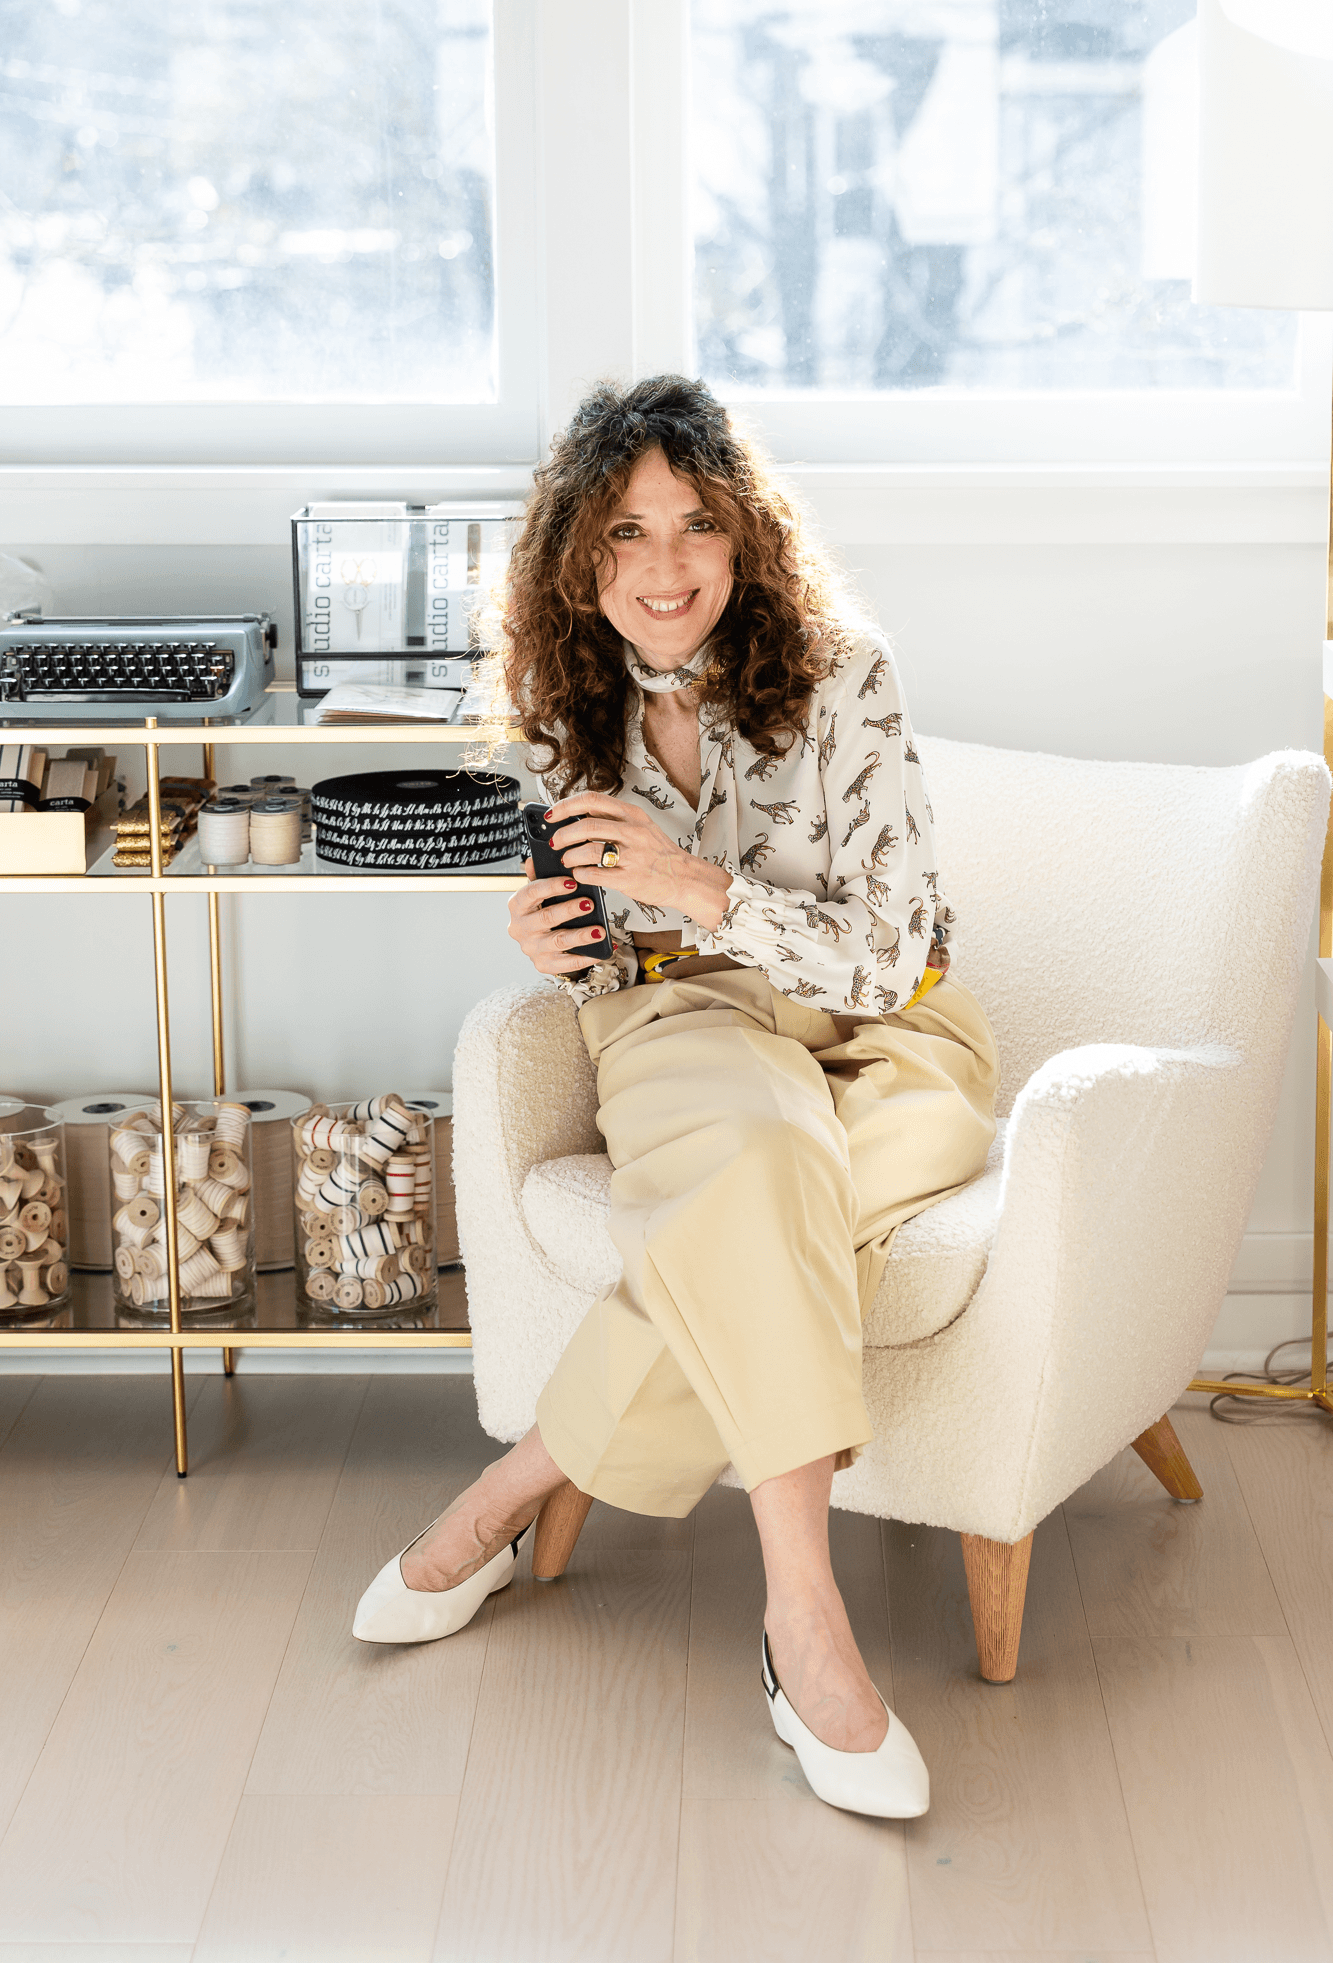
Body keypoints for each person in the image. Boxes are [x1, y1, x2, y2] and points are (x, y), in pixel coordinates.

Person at [352, 376, 998, 1820]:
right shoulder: (551, 708)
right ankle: (804, 1623)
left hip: (891, 1027)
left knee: (784, 1201)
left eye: (694, 525)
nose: (662, 567)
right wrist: (553, 943)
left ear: (743, 535)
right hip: (684, 1026)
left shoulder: (847, 673)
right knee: (765, 1161)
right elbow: (610, 964)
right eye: (625, 532)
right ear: (577, 557)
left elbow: (896, 955)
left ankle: (518, 1484)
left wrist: (698, 883)